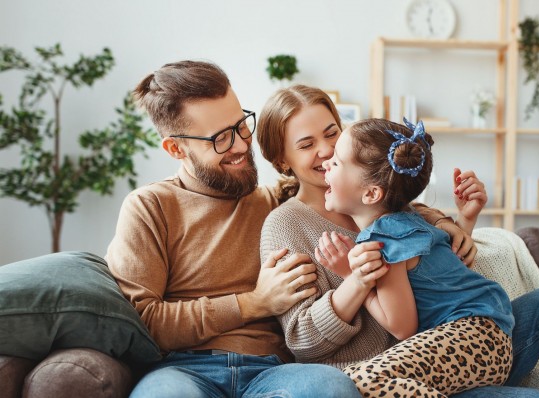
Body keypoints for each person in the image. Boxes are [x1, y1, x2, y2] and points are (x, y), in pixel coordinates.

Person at [257, 84, 539, 397]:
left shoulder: (390, 206)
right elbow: (302, 340)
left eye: (332, 133)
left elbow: (441, 273)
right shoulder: (286, 225)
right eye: (307, 144)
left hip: (454, 348)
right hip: (385, 378)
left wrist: (464, 220)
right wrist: (356, 280)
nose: (326, 150)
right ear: (282, 160)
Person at [105, 60, 361, 398]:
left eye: (241, 126)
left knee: (332, 389)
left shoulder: (277, 203)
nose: (241, 145)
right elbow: (143, 321)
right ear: (175, 148)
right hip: (181, 370)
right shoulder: (150, 207)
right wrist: (254, 303)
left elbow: (368, 200)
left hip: (273, 370)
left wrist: (446, 222)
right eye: (220, 139)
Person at [320, 117, 514, 396]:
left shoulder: (386, 236)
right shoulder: (409, 219)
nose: (327, 162)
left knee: (358, 382)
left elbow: (402, 327)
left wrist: (351, 275)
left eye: (336, 162)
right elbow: (444, 274)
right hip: (488, 335)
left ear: (372, 193)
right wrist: (464, 221)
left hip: (475, 337)